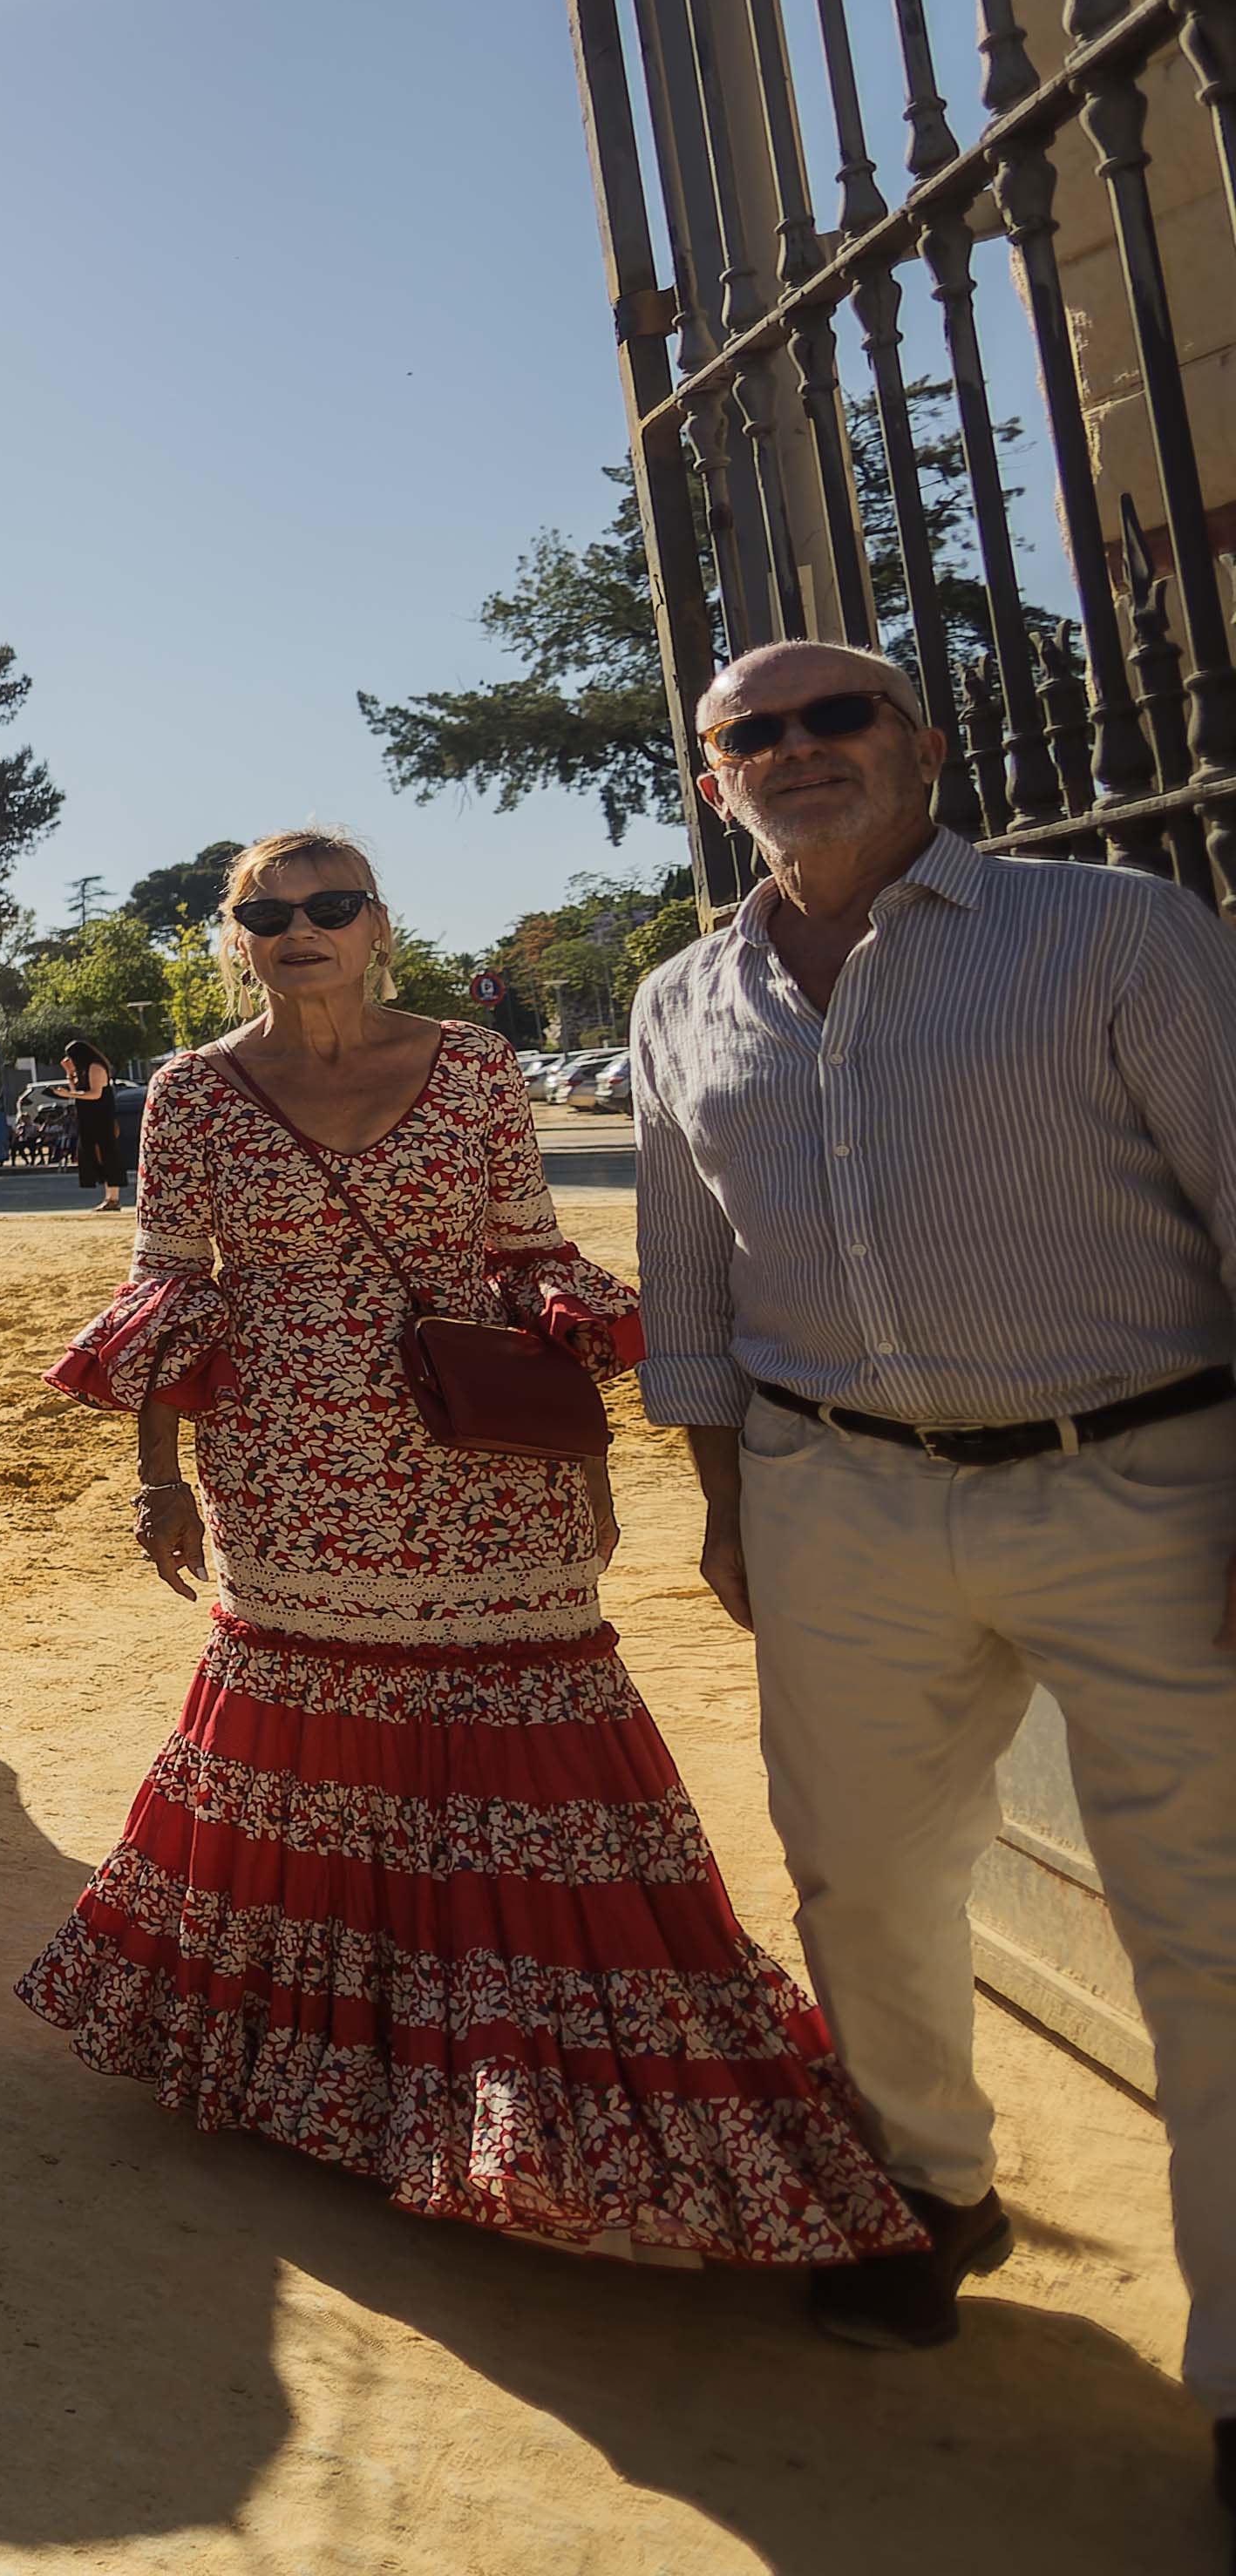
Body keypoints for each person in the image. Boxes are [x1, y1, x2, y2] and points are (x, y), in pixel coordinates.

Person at [27, 825, 916, 2267]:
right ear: (235, 935)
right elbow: (167, 1289)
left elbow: (528, 1262)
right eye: (269, 911)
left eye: (329, 904)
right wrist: (156, 1480)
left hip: (480, 1468)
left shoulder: (473, 1065)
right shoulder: (189, 1089)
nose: (300, 927)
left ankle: (543, 2093)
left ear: (379, 924)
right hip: (282, 1472)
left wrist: (587, 1456)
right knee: (314, 1735)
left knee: (528, 1720)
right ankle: (341, 2079)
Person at [632, 643, 1236, 2487]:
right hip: (840, 1502)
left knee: (1210, 1930)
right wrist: (733, 1505)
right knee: (862, 1879)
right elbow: (693, 1292)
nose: (800, 753)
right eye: (756, 733)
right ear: (712, 777)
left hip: (1145, 1479)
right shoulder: (679, 1001)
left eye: (840, 720)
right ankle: (926, 2186)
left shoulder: (1111, 932)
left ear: (925, 748)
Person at [58, 1036, 124, 1210]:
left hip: (101, 1118)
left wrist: (69, 1095)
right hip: (88, 1119)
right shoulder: (83, 1071)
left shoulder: (96, 1068)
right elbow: (76, 1090)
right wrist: (69, 1073)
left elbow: (95, 1094)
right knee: (94, 1156)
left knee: (107, 1154)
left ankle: (114, 1197)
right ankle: (108, 1196)